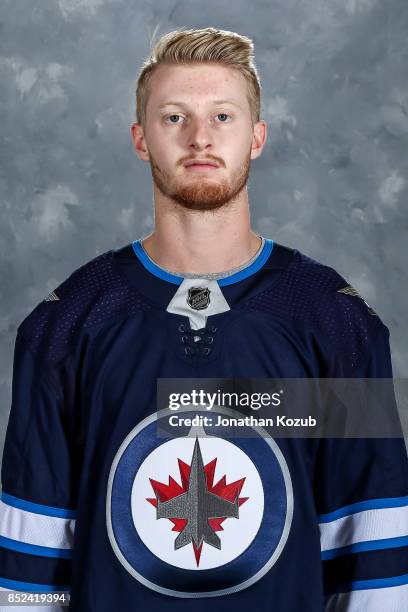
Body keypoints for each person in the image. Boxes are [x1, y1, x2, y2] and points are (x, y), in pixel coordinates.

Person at [0, 27, 407, 612]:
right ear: (141, 140)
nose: (199, 138)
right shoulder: (63, 328)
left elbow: (371, 549)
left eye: (222, 116)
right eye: (173, 118)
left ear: (257, 137)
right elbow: (30, 566)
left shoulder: (337, 323)